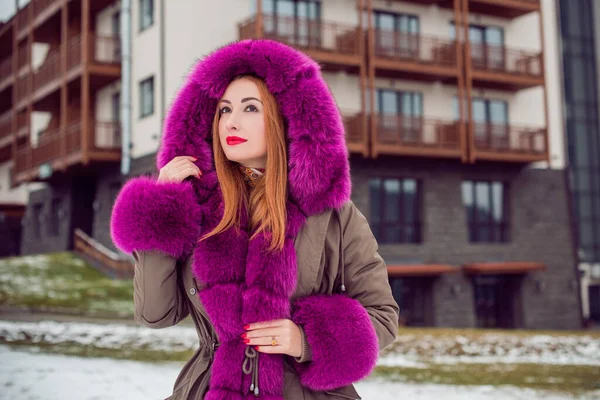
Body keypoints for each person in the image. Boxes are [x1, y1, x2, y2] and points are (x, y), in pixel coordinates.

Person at [110, 39, 399, 400]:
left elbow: (382, 314)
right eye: (224, 110)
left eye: (250, 108)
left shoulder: (333, 214)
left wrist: (306, 341)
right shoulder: (194, 207)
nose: (231, 121)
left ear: (282, 118)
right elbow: (155, 314)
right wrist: (162, 209)